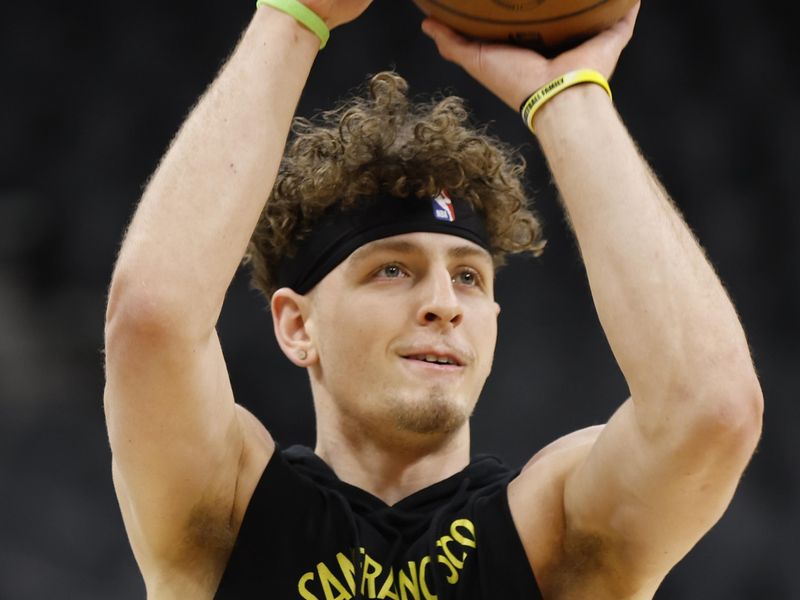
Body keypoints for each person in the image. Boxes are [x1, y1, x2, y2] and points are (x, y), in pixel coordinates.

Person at [103, 1, 763, 598]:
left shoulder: (554, 537)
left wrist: (567, 95)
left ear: (495, 323)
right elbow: (151, 319)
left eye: (471, 277)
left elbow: (713, 408)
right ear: (297, 324)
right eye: (393, 270)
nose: (445, 304)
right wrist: (290, 18)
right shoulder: (229, 512)